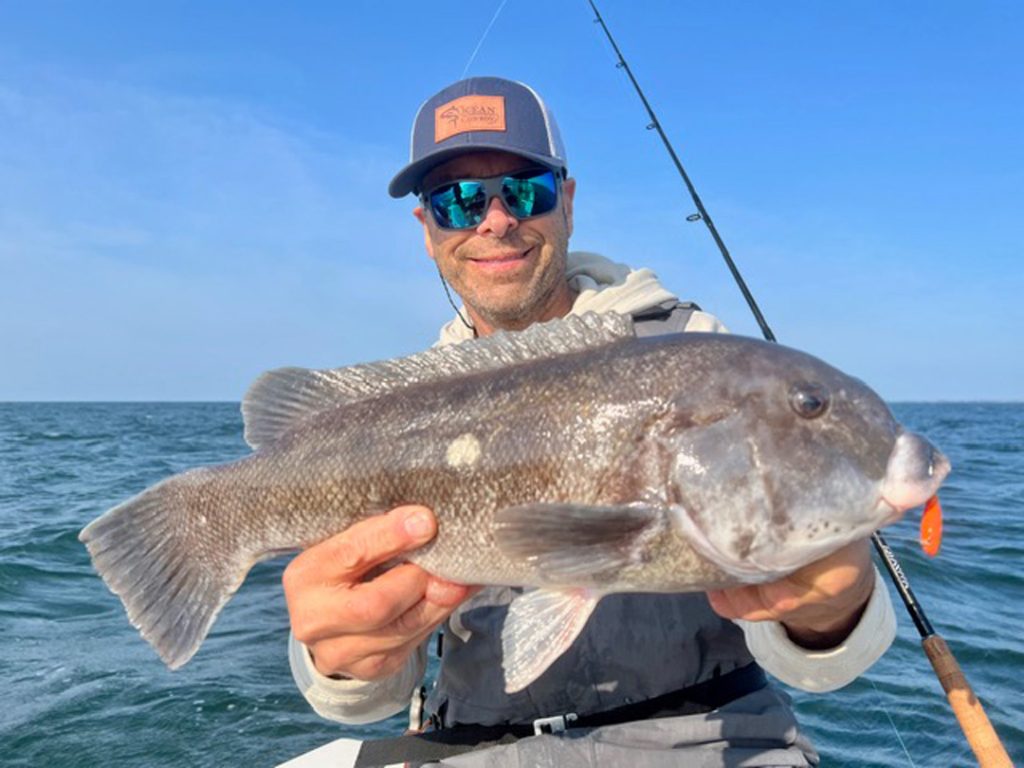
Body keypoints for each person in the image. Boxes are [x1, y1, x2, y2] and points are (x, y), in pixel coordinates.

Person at [283, 76, 897, 766]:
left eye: (524, 190)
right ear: (428, 231)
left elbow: (824, 667)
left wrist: (828, 614)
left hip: (707, 735)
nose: (494, 220)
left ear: (566, 202)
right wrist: (341, 661)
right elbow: (372, 696)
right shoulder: (394, 417)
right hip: (474, 742)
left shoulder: (701, 354)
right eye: (457, 200)